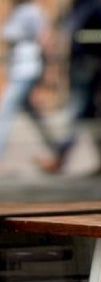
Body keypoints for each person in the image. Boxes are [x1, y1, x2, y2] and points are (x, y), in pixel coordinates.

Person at [36, 0, 101, 175]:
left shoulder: (98, 4)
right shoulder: (77, 5)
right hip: (78, 63)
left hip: (91, 63)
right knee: (90, 114)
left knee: (78, 111)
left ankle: (59, 158)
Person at [0, 0, 55, 165]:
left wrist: (49, 68)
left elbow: (44, 38)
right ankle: (58, 148)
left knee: (5, 111)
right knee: (33, 115)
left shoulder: (31, 11)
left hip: (27, 69)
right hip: (19, 69)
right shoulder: (20, 11)